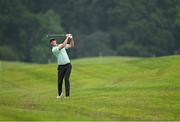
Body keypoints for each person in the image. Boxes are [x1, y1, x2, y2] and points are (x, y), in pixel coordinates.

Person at [49, 34, 74, 99]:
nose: (53, 41)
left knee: (66, 80)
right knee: (59, 81)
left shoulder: (60, 45)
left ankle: (67, 95)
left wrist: (71, 38)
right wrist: (67, 37)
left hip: (68, 65)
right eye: (52, 41)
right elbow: (63, 45)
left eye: (54, 40)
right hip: (61, 67)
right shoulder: (54, 49)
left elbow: (71, 45)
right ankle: (59, 94)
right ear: (51, 43)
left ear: (55, 41)